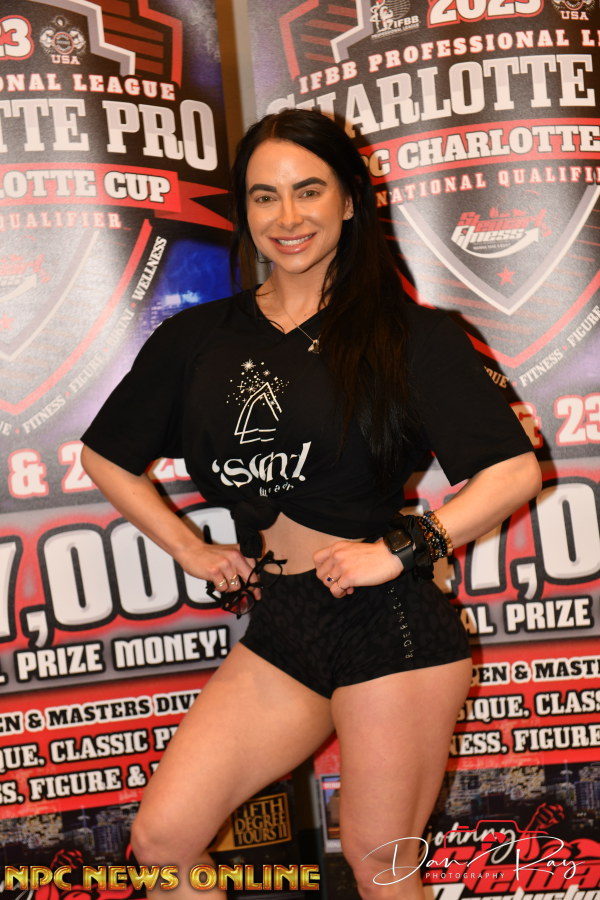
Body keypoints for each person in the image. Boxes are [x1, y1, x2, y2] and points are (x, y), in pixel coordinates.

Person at [81, 108, 541, 899]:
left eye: (309, 191)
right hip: (286, 622)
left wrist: (402, 548)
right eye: (265, 196)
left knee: (379, 862)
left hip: (391, 626)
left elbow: (512, 472)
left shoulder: (411, 336)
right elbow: (106, 455)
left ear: (350, 200)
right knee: (162, 842)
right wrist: (192, 548)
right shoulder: (197, 339)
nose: (287, 217)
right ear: (243, 209)